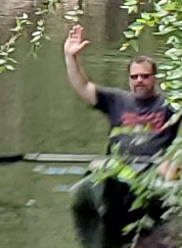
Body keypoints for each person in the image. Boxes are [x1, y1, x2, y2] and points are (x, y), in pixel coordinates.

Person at [61, 18, 175, 162]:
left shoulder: (170, 103)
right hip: (118, 168)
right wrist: (70, 57)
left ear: (154, 78)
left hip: (154, 169)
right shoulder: (116, 100)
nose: (139, 80)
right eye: (134, 76)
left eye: (145, 76)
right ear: (129, 79)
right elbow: (82, 86)